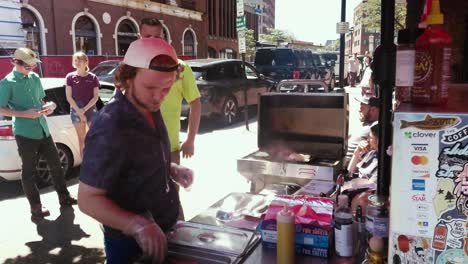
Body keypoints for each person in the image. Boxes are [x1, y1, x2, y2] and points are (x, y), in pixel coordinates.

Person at [77, 38, 194, 264]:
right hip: (128, 242)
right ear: (128, 77)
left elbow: (135, 163)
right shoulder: (111, 125)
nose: (159, 96)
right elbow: (87, 199)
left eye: (166, 88)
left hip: (165, 225)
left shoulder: (148, 104)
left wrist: (170, 169)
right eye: (151, 87)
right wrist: (137, 225)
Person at [0, 48, 77, 218]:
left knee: (56, 165)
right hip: (24, 133)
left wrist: (50, 106)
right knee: (29, 172)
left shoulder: (34, 78)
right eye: (28, 66)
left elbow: (41, 100)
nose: (32, 69)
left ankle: (64, 197)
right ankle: (36, 207)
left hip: (43, 129)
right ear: (15, 63)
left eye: (33, 65)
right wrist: (23, 113)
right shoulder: (7, 83)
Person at [139, 17, 201, 220]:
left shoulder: (180, 68)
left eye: (156, 37)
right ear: (140, 37)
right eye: (147, 36)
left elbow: (195, 103)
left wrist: (190, 140)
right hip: (139, 149)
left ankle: (177, 244)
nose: (152, 40)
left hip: (170, 148)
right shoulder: (133, 67)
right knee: (143, 203)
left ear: (163, 38)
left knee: (171, 201)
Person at [65, 51, 100, 158]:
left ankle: (97, 165)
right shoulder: (70, 77)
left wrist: (84, 110)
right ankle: (86, 167)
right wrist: (79, 111)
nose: (77, 62)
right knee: (82, 140)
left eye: (79, 60)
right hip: (76, 109)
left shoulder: (93, 77)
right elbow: (69, 97)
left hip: (90, 108)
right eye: (75, 60)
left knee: (95, 138)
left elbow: (95, 97)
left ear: (86, 62)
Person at [344, 95, 380, 167]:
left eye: (362, 108)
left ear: (373, 110)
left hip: (348, 163)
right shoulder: (366, 123)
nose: (360, 110)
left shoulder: (375, 128)